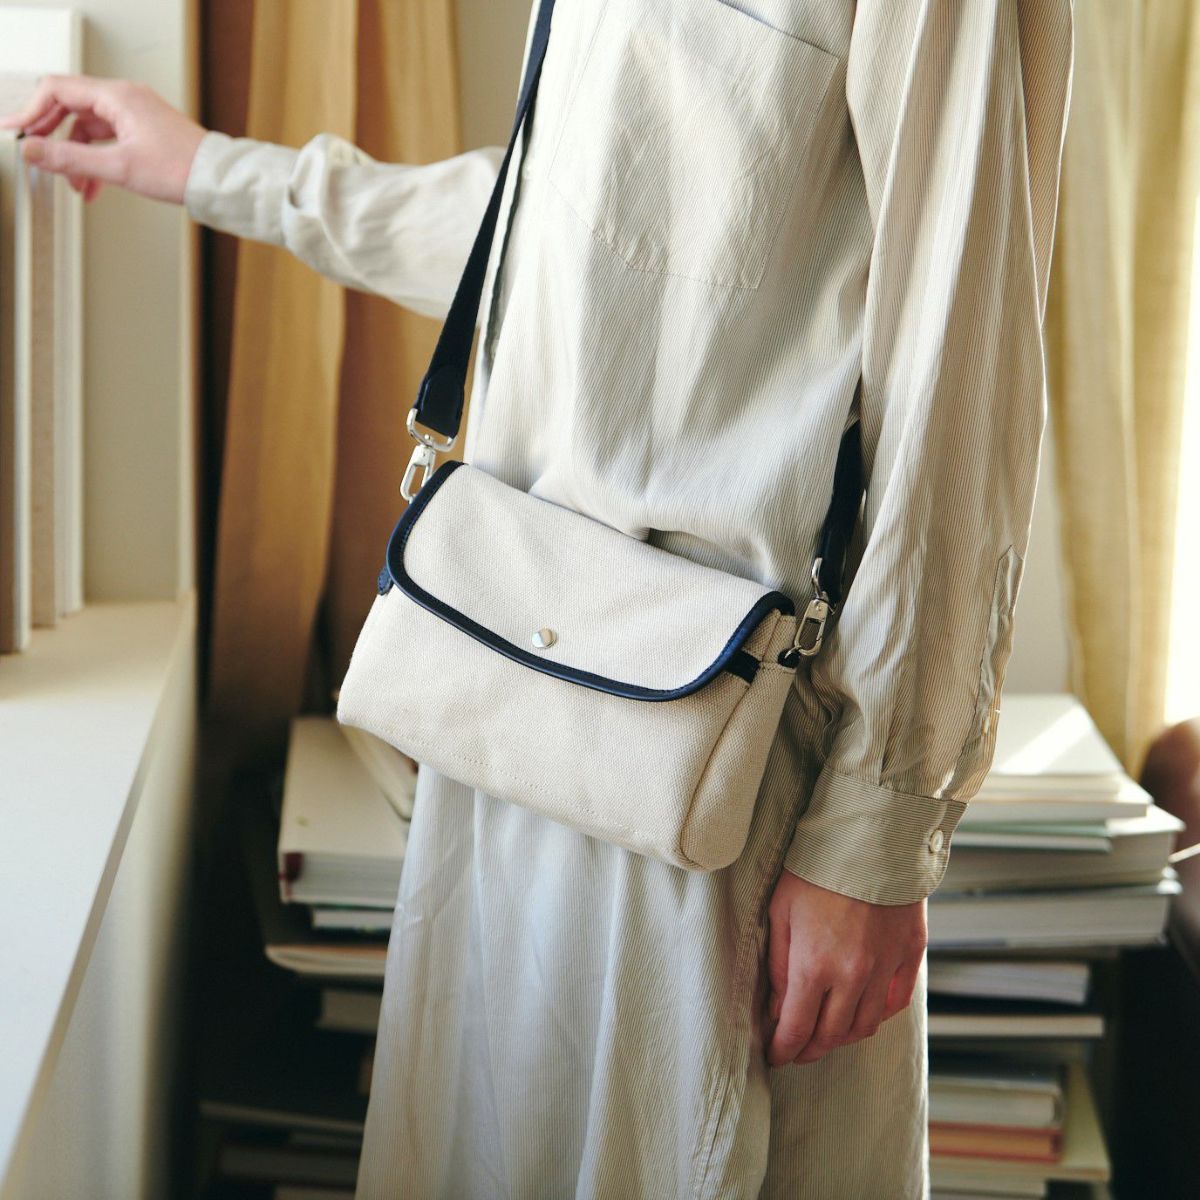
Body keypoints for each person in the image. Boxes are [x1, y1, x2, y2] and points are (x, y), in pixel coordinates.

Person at [1, 1, 1074, 1195]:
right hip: (506, 700)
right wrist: (210, 169)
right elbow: (560, 236)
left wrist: (876, 840)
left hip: (721, 773)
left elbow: (964, 365)